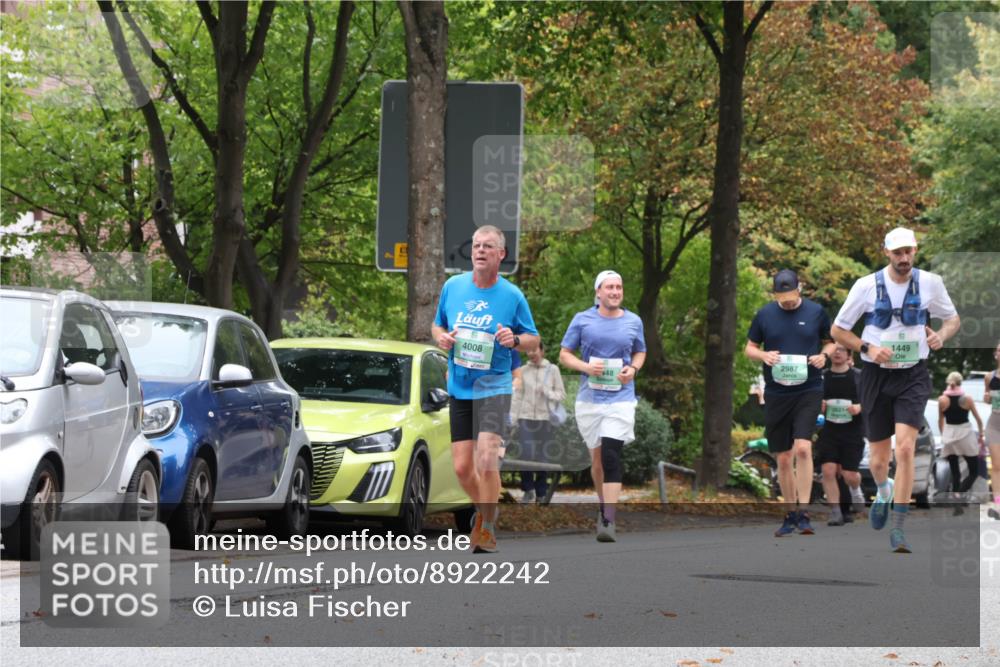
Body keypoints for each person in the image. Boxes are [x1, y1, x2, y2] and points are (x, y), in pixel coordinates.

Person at [832, 227, 960, 553]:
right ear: (886, 252)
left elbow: (952, 319)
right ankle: (883, 489)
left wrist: (941, 336)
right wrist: (867, 349)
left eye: (909, 252)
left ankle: (899, 527)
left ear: (915, 251)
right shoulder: (865, 286)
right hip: (876, 376)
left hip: (913, 375)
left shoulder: (931, 282)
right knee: (878, 460)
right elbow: (838, 329)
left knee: (905, 449)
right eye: (898, 252)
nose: (904, 259)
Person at [432, 225, 539, 553]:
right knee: (463, 467)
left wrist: (516, 339)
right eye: (476, 245)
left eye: (488, 246)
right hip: (460, 386)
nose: (480, 251)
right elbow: (438, 325)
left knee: (487, 459)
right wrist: (441, 338)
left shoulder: (512, 296)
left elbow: (534, 339)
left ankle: (488, 526)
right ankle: (484, 511)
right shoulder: (453, 287)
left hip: (495, 386)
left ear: (501, 255)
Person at [745, 269, 835, 537]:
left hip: (809, 388)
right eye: (781, 298)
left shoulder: (816, 312)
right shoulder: (764, 315)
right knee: (783, 458)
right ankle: (790, 511)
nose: (787, 302)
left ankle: (805, 512)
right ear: (775, 294)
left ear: (800, 289)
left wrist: (823, 356)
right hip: (777, 391)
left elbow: (831, 343)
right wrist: (763, 355)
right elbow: (749, 348)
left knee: (804, 449)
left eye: (791, 297)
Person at [560, 270, 646, 542]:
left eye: (618, 287)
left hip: (620, 398)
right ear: (598, 292)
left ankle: (608, 518)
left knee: (611, 455)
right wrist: (586, 367)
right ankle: (603, 506)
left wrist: (633, 368)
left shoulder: (633, 321)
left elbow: (640, 351)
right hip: (590, 399)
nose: (615, 292)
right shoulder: (583, 320)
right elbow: (564, 354)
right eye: (609, 287)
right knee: (596, 460)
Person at [510, 341, 566, 504]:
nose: (531, 354)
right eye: (528, 351)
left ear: (542, 350)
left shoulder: (553, 370)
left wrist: (548, 392)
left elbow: (561, 395)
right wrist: (512, 419)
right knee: (525, 454)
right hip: (525, 418)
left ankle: (541, 492)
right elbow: (517, 396)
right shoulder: (522, 371)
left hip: (545, 419)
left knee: (543, 456)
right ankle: (528, 490)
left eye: (534, 350)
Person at [816, 344, 866, 526]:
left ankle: (856, 489)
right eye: (834, 350)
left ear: (849, 355)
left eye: (842, 350)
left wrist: (859, 407)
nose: (837, 353)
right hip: (830, 430)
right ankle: (835, 512)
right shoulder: (823, 377)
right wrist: (819, 406)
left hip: (853, 431)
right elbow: (813, 400)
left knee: (849, 474)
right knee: (828, 470)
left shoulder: (859, 376)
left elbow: (872, 400)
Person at [938, 372, 984, 500]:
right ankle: (960, 493)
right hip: (965, 436)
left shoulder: (942, 400)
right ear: (960, 382)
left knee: (955, 471)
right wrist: (981, 434)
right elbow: (978, 419)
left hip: (949, 437)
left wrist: (944, 435)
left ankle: (955, 498)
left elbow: (940, 420)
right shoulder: (967, 399)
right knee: (974, 471)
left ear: (948, 382)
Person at [984, 341, 1000, 520]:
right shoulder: (990, 377)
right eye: (998, 351)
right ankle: (998, 504)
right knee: (996, 466)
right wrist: (987, 397)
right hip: (994, 424)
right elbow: (987, 398)